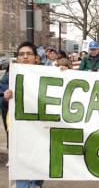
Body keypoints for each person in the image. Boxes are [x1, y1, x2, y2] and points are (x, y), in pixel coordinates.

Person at [3, 41, 44, 188]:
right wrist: (5, 97)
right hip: (18, 125)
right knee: (22, 160)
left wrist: (63, 70)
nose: (25, 57)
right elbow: (0, 95)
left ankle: (36, 183)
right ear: (18, 58)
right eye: (21, 54)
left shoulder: (46, 73)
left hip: (41, 125)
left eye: (29, 54)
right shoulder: (10, 76)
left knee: (39, 156)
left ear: (36, 58)